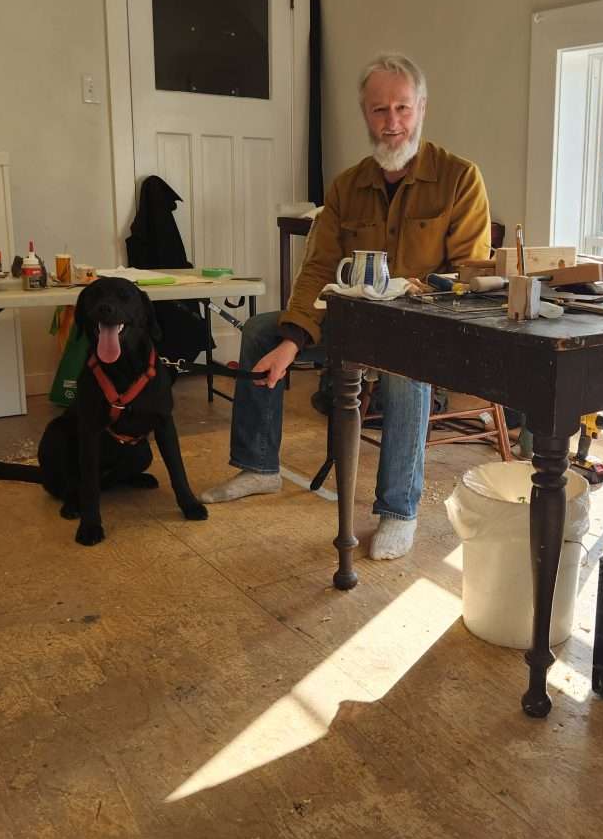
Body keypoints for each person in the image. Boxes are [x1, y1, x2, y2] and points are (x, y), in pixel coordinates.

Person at [202, 53, 491, 559]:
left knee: (405, 370)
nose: (392, 122)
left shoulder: (460, 179)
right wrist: (293, 339)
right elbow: (318, 268)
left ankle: (398, 510)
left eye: (402, 108)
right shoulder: (345, 186)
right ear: (364, 113)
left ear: (422, 107)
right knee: (260, 332)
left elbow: (470, 272)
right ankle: (259, 468)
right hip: (351, 323)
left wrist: (407, 296)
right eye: (379, 110)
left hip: (421, 330)